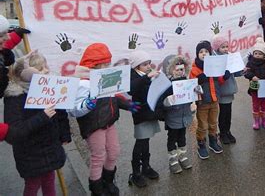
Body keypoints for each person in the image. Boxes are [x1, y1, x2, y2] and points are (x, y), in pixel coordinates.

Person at [68, 43, 140, 196]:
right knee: (98, 156)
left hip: (109, 122)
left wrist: (127, 104)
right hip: (94, 126)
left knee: (114, 152)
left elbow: (112, 97)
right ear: (95, 64)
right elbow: (73, 110)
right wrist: (87, 105)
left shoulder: (106, 77)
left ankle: (108, 181)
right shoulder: (82, 83)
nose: (108, 65)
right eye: (105, 63)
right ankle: (97, 188)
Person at [4, 51, 71, 196]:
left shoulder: (49, 88)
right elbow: (14, 132)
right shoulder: (15, 97)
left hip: (50, 146)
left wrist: (64, 135)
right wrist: (42, 116)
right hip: (30, 153)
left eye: (46, 66)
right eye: (41, 69)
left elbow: (60, 113)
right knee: (33, 185)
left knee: (49, 180)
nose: (46, 71)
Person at [156, 55, 194, 173]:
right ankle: (173, 159)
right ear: (170, 70)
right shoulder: (167, 86)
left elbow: (191, 96)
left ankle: (182, 156)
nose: (180, 72)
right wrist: (168, 101)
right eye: (176, 69)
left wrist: (196, 92)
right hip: (173, 117)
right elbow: (161, 102)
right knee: (172, 138)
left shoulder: (187, 82)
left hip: (185, 116)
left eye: (182, 69)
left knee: (182, 138)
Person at [189, 41, 227, 159]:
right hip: (202, 102)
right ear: (197, 54)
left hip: (214, 100)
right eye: (201, 52)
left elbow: (219, 81)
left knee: (213, 123)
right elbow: (191, 86)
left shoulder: (214, 66)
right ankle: (201, 144)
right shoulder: (195, 69)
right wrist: (198, 80)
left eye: (206, 51)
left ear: (210, 53)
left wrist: (224, 77)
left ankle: (213, 141)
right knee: (202, 125)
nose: (204, 54)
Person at [128, 50, 160, 188]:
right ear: (136, 67)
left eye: (149, 63)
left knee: (146, 140)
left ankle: (146, 167)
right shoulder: (134, 76)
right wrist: (148, 78)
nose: (148, 66)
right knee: (140, 142)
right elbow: (131, 89)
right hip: (141, 114)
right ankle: (136, 173)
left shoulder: (147, 74)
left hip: (150, 112)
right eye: (144, 64)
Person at [212, 34, 238, 145]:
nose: (226, 49)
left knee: (228, 113)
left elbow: (236, 70)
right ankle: (222, 132)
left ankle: (227, 131)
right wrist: (224, 76)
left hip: (229, 88)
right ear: (217, 48)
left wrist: (240, 69)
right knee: (223, 113)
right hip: (222, 89)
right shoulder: (215, 59)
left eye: (227, 46)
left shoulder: (230, 56)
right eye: (223, 47)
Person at [244, 37, 265, 130]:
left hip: (264, 87)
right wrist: (252, 76)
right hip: (254, 88)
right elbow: (246, 73)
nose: (257, 55)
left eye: (260, 54)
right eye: (256, 53)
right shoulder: (250, 63)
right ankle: (256, 121)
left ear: (264, 55)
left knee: (264, 104)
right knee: (255, 104)